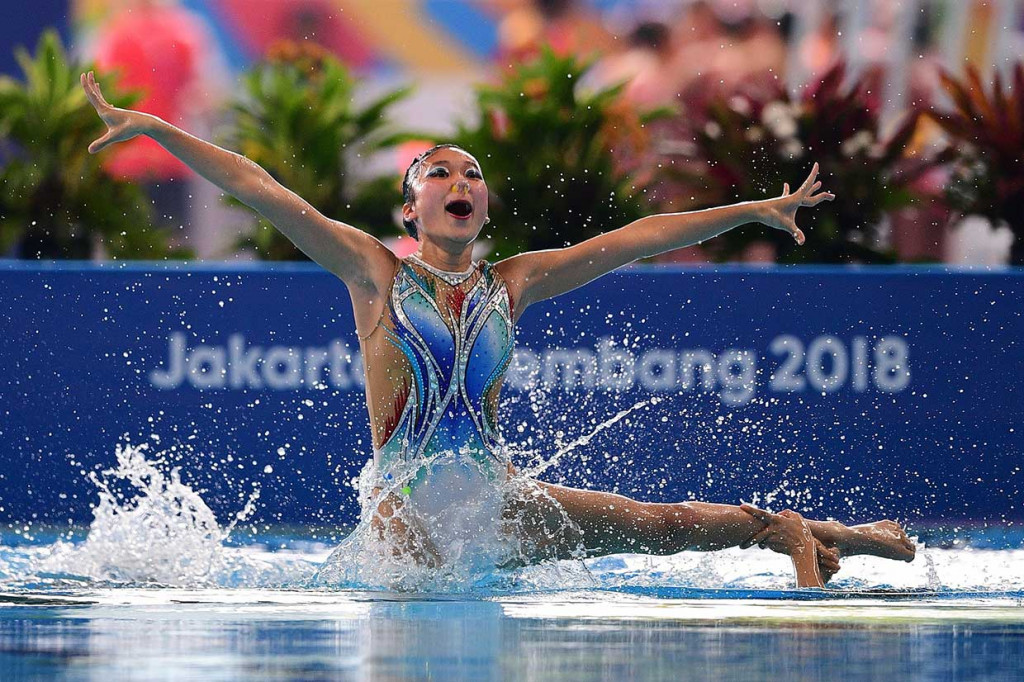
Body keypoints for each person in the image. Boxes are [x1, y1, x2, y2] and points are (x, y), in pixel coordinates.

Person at [80, 71, 916, 589]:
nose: (459, 181)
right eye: (437, 173)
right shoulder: (375, 272)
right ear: (411, 208)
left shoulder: (512, 283)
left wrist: (755, 210)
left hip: (500, 501)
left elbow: (633, 241)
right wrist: (155, 129)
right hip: (405, 507)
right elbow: (264, 191)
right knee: (410, 596)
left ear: (481, 204)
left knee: (663, 528)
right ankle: (841, 540)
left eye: (471, 174)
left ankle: (818, 536)